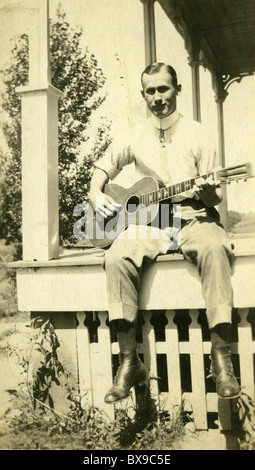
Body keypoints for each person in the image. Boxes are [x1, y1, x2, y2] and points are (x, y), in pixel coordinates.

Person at [88, 62, 240, 404]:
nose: (157, 98)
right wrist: (96, 194)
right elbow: (102, 167)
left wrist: (207, 192)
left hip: (193, 216)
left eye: (164, 89)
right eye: (150, 91)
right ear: (143, 94)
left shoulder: (199, 133)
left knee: (216, 248)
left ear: (177, 89)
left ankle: (222, 362)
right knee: (115, 255)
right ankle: (129, 362)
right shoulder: (134, 133)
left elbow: (215, 195)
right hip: (151, 224)